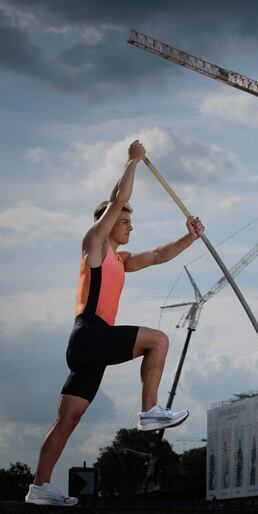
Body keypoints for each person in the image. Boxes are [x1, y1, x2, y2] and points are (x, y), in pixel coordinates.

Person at [25, 140, 205, 506]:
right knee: (158, 341)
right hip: (90, 333)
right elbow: (118, 198)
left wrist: (190, 236)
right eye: (125, 221)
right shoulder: (94, 244)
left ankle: (39, 486)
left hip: (90, 345)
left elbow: (159, 255)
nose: (130, 228)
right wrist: (132, 161)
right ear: (107, 221)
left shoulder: (121, 261)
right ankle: (149, 410)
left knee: (67, 421)